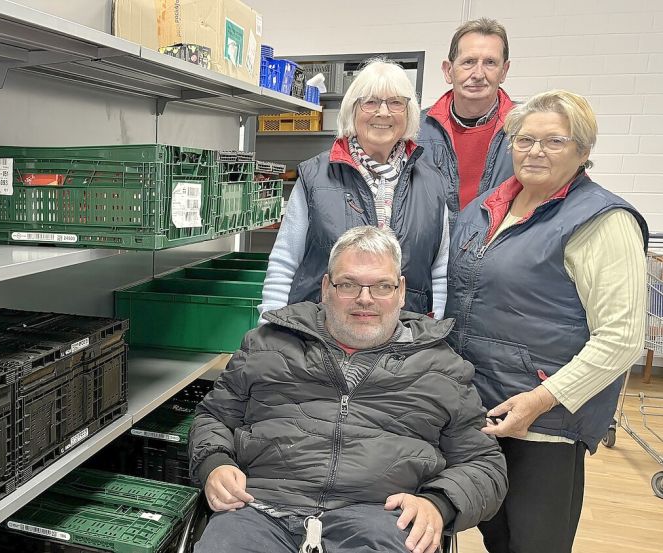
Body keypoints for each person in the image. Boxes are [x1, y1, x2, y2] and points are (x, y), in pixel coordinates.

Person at [191, 226, 507, 553]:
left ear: (401, 291)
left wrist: (439, 503)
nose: (365, 299)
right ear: (326, 287)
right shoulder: (267, 344)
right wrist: (215, 464)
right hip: (260, 511)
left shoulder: (443, 368)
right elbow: (213, 417)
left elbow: (485, 464)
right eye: (348, 284)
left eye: (382, 286)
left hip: (382, 521)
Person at [446, 90, 648, 553]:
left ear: (583, 151)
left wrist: (540, 400)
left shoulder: (601, 220)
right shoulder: (485, 209)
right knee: (495, 531)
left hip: (545, 422)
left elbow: (621, 338)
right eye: (524, 139)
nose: (535, 150)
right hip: (480, 408)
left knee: (535, 542)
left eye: (554, 141)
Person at [260, 58, 450, 321]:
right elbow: (285, 262)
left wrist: (432, 331)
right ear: (352, 110)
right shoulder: (315, 176)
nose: (383, 113)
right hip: (320, 336)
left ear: (409, 113)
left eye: (396, 102)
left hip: (405, 338)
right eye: (370, 102)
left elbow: (439, 272)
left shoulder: (433, 184)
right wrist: (270, 325)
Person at [419, 18, 515, 222]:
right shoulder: (416, 129)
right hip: (433, 253)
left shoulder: (527, 128)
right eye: (468, 62)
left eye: (490, 62)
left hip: (497, 252)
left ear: (504, 71)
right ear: (448, 70)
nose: (478, 74)